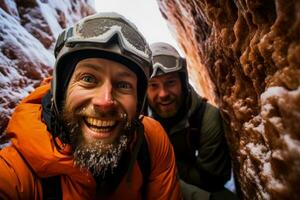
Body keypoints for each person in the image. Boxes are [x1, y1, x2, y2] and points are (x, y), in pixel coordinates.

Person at [0, 13, 182, 200]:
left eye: (123, 85)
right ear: (61, 90)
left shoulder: (151, 140)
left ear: (138, 103)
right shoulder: (15, 172)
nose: (105, 101)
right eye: (88, 79)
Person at [146, 42, 236, 200]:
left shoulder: (207, 117)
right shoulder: (135, 120)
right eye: (153, 85)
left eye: (170, 82)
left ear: (183, 83)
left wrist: (165, 163)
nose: (163, 94)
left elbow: (214, 179)